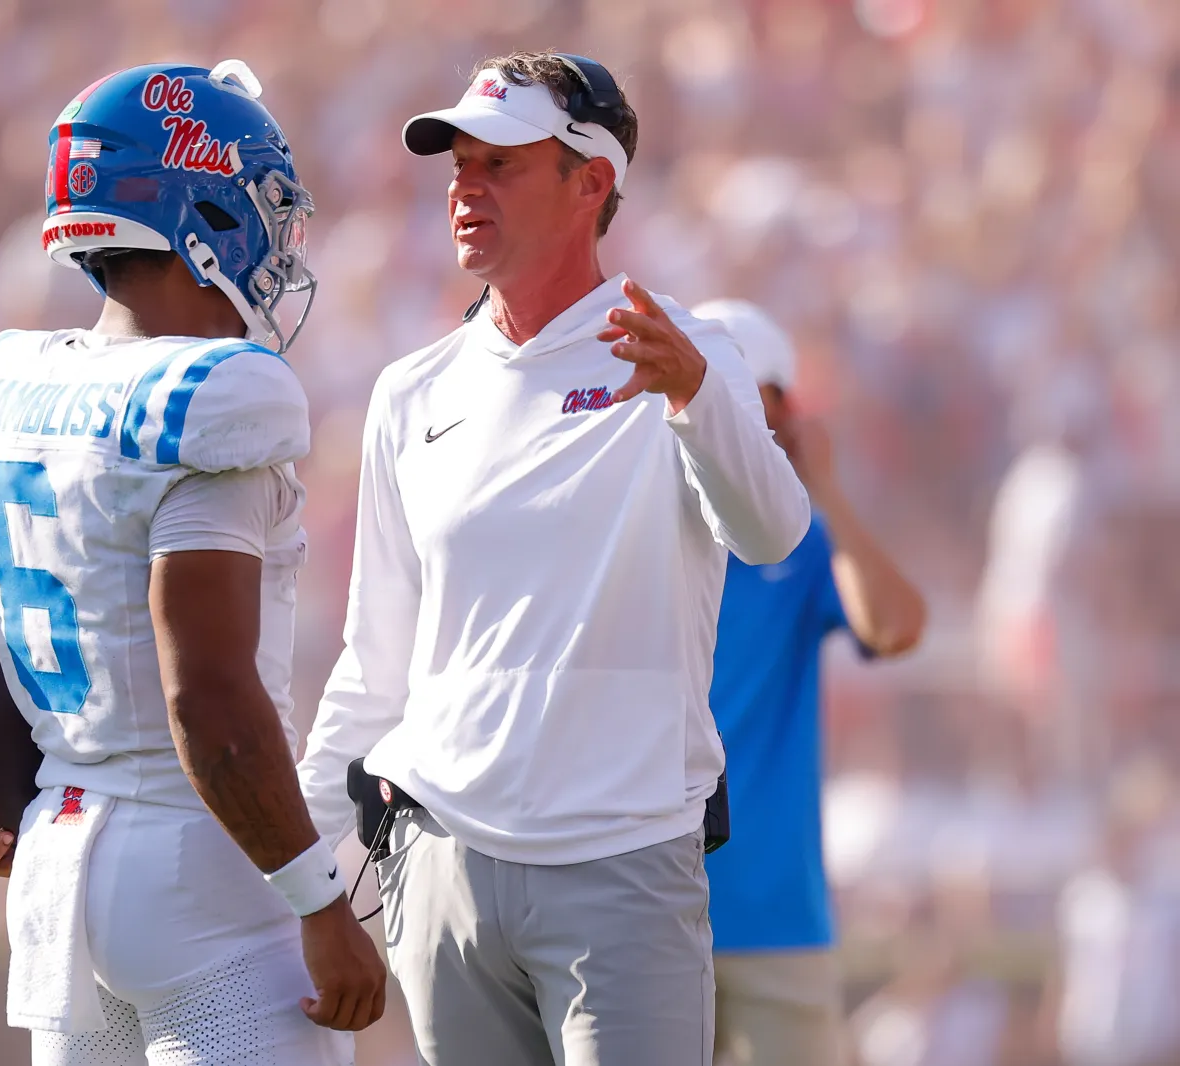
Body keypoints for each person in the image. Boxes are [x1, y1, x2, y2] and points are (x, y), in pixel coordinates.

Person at [0, 61, 386, 1066]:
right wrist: (318, 898)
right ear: (201, 209)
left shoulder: (9, 385)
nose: (273, 237)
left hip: (58, 872)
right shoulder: (218, 393)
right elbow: (206, 701)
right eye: (259, 204)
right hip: (207, 870)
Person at [297, 52, 811, 1066]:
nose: (464, 189)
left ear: (591, 182)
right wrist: (302, 869)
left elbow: (773, 533)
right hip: (439, 868)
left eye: (499, 165)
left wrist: (695, 395)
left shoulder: (688, 353)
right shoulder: (411, 390)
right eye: (459, 166)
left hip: (620, 865)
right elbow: (375, 659)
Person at [691, 299, 926, 1066]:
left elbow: (893, 628)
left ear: (784, 409)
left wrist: (823, 487)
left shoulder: (803, 540)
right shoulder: (647, 529)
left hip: (774, 917)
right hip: (648, 906)